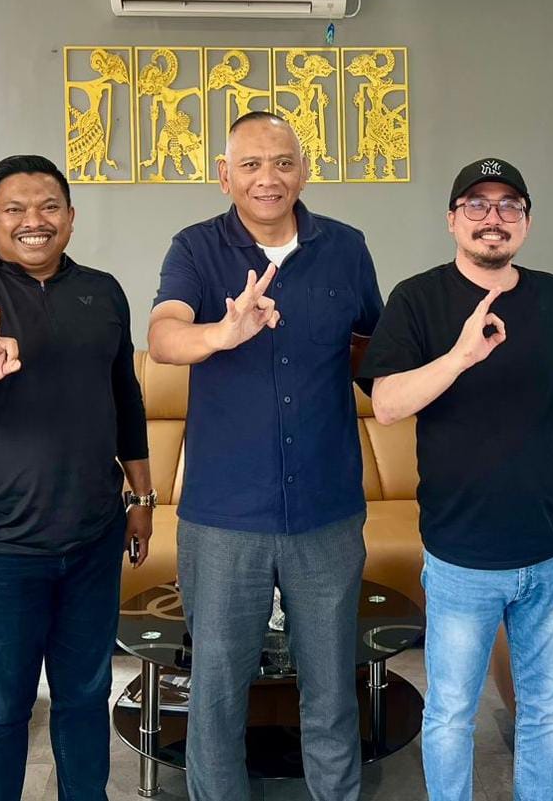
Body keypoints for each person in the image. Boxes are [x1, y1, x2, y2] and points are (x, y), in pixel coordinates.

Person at [0, 154, 151, 801]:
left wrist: (142, 496)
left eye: (48, 206)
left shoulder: (103, 293)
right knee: (4, 702)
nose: (33, 220)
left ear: (70, 217)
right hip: (0, 546)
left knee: (86, 693)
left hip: (94, 537)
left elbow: (125, 400)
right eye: (14, 208)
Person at [148, 110, 383, 801]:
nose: (267, 178)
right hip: (224, 514)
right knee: (217, 694)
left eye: (282, 162)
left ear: (303, 171)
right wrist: (222, 332)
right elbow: (163, 337)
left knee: (332, 690)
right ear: (224, 175)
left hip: (326, 510)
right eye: (250, 164)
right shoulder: (195, 248)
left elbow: (376, 352)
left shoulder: (347, 247)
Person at [357, 158, 553, 801]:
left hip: (550, 549)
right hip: (461, 554)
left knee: (547, 711)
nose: (493, 218)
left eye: (508, 205)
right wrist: (461, 356)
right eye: (477, 205)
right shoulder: (417, 299)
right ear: (452, 220)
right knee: (451, 715)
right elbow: (388, 404)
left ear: (525, 221)